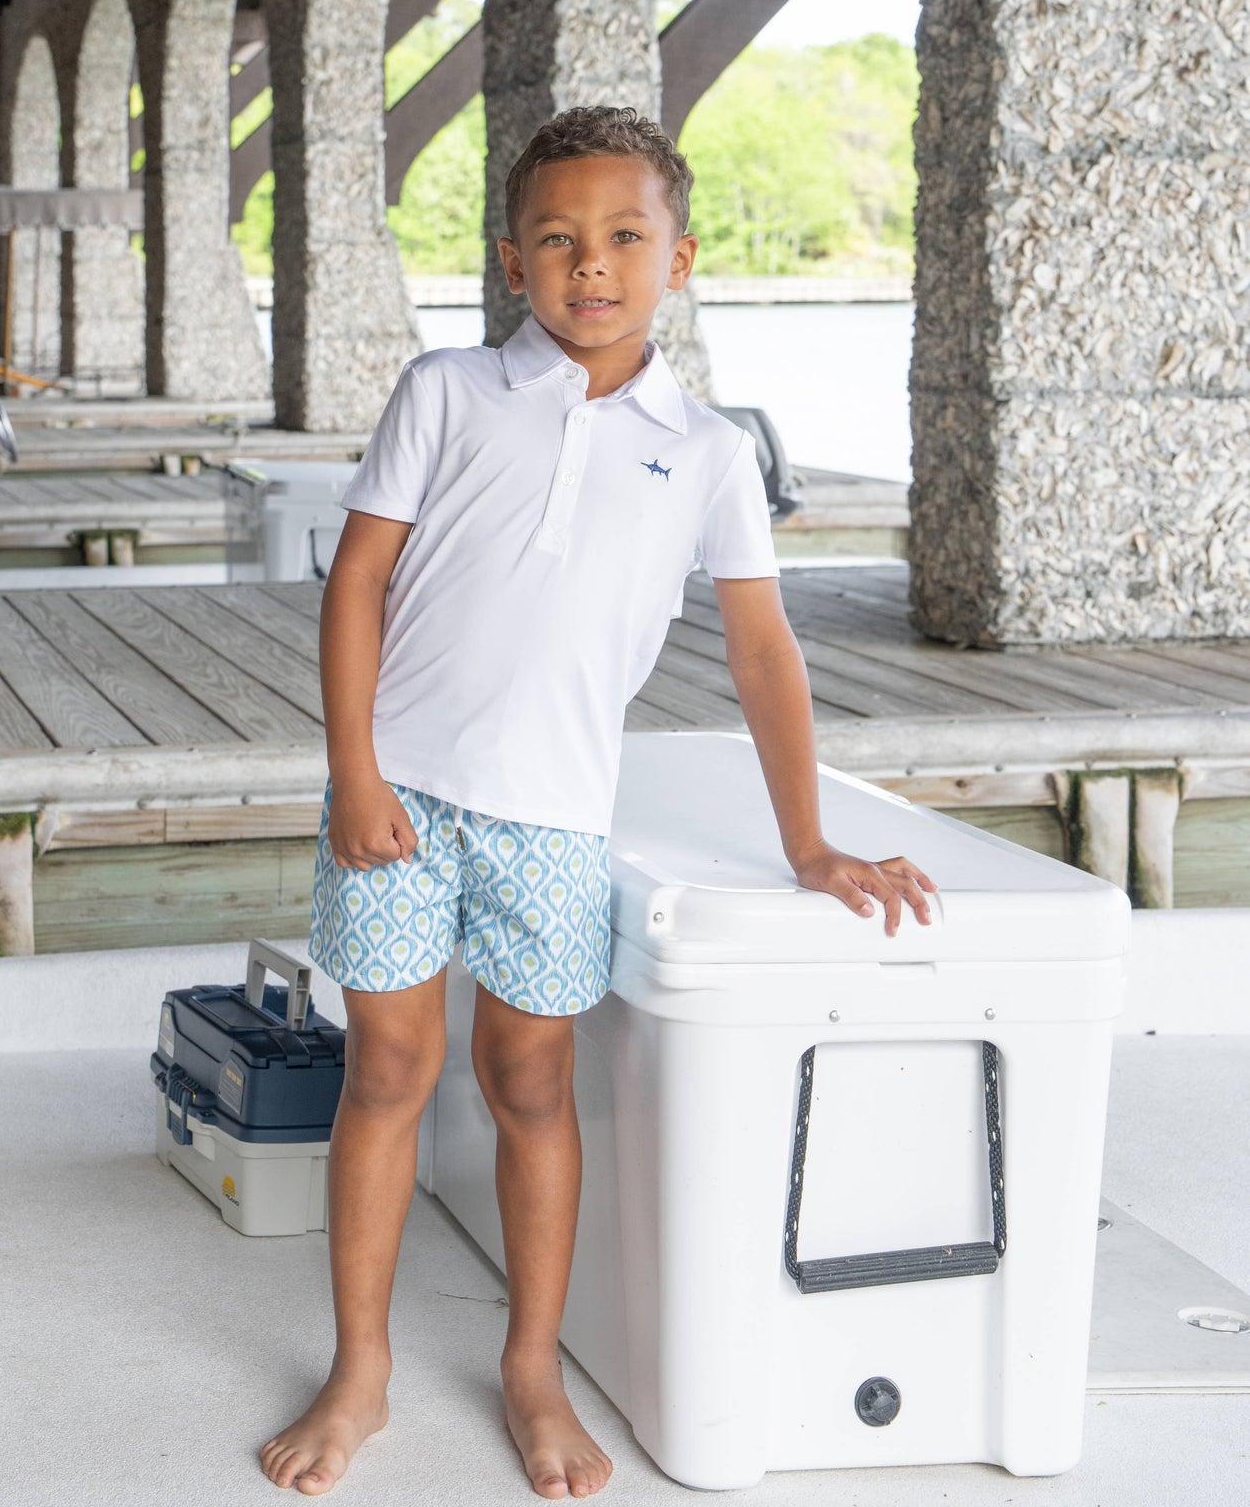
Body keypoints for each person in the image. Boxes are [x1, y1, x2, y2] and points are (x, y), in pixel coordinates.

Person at [260, 105, 934, 1499]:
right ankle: (362, 1367)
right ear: (512, 260)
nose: (591, 265)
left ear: (678, 257)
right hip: (401, 798)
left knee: (526, 1083)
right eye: (558, 241)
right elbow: (357, 584)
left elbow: (760, 648)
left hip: (552, 817)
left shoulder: (705, 449)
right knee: (384, 1072)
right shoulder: (445, 393)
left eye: (624, 237)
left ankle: (529, 1368)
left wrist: (806, 840)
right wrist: (354, 776)